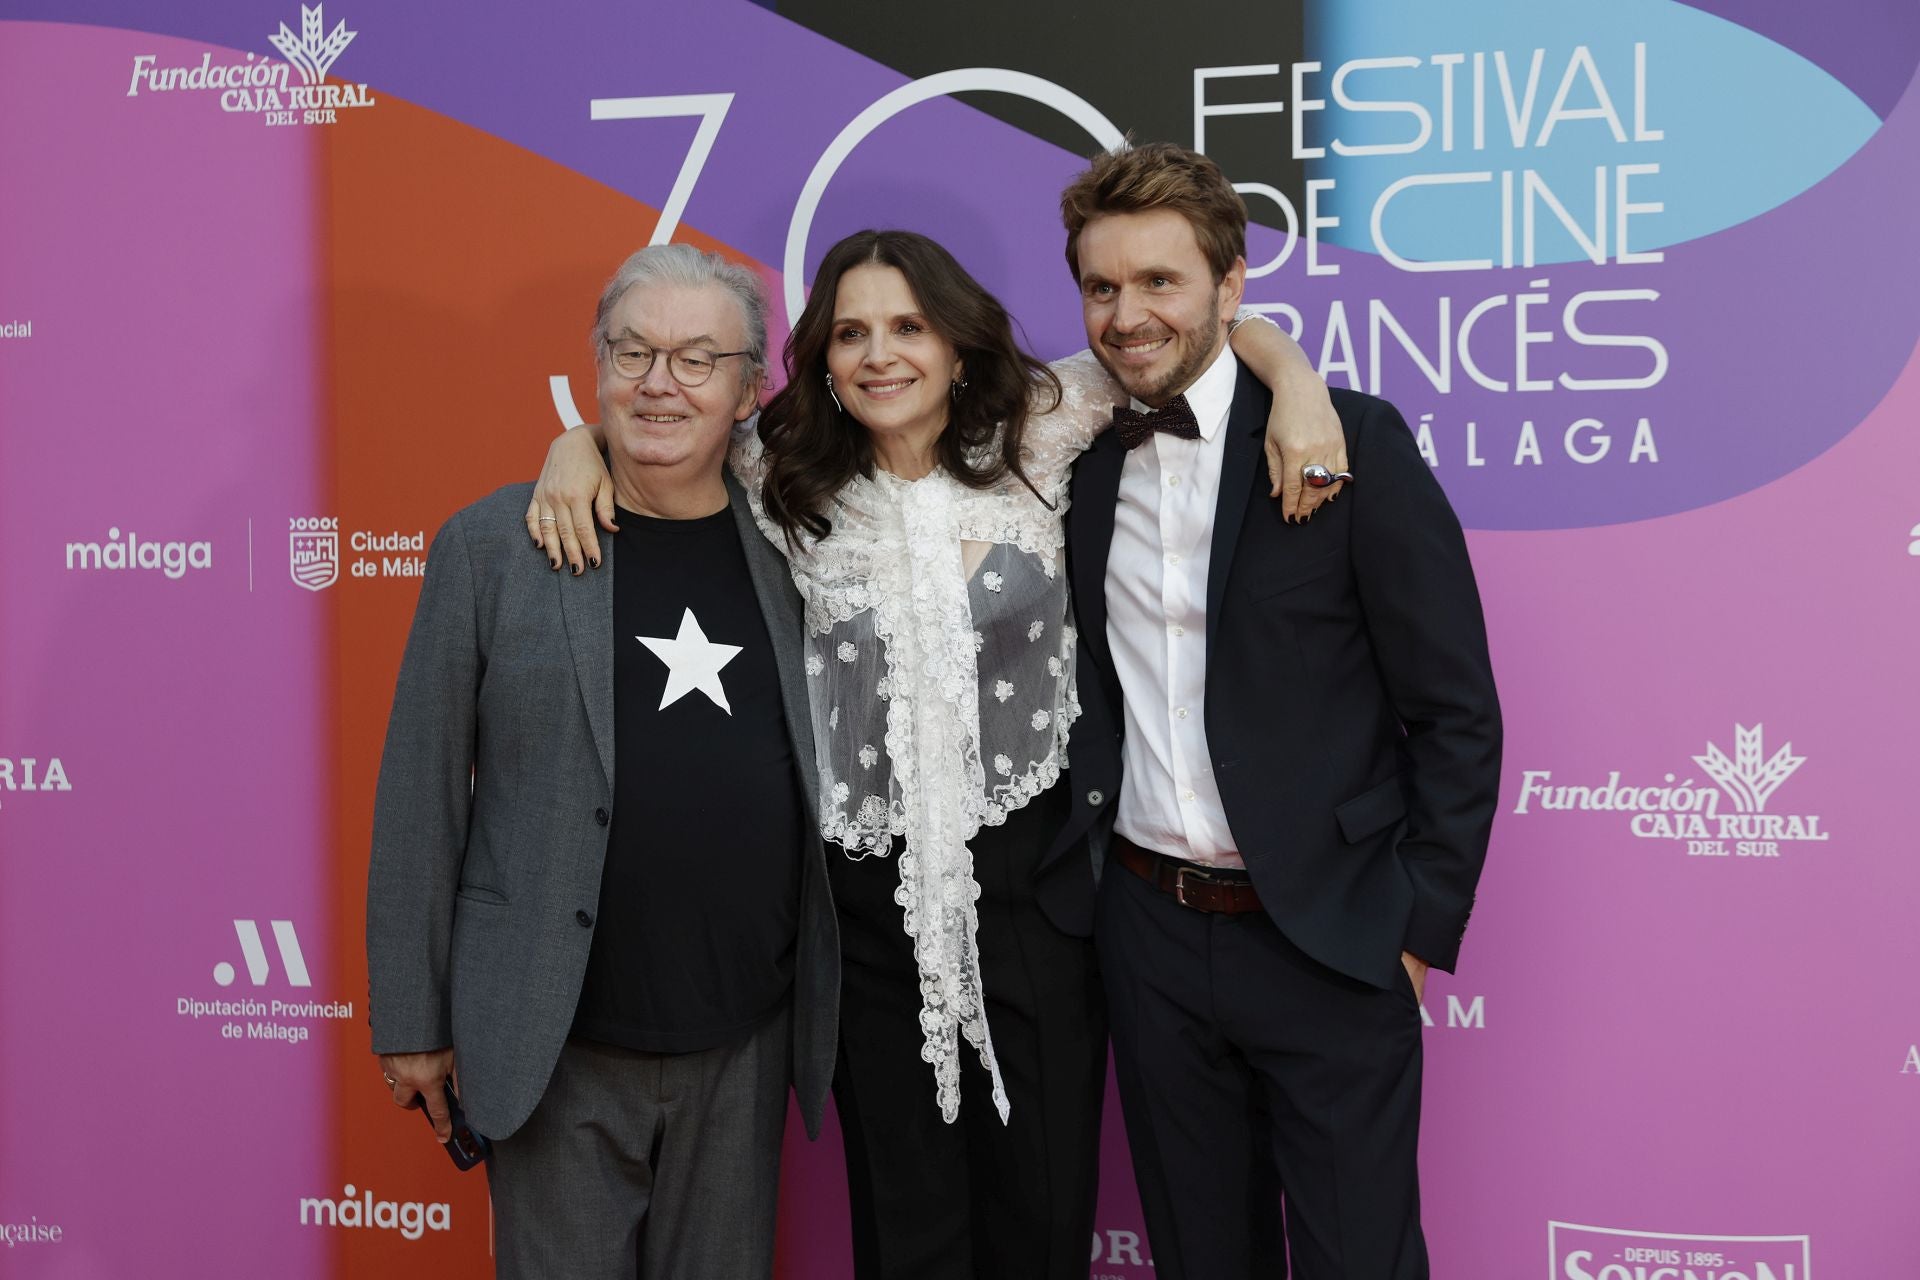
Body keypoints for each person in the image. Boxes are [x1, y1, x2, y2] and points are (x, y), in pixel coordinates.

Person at [527, 228, 1345, 1279]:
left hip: (1039, 905)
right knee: (905, 1233)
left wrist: (1296, 380)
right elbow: (658, 432)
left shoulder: (1042, 433)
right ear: (821, 355)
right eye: (853, 331)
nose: (880, 354)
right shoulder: (783, 474)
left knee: (1040, 1225)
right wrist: (573, 448)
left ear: (958, 344)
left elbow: (1184, 349)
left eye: (909, 326)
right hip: (866, 919)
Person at [1044, 141, 1504, 1279]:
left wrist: (1413, 930)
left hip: (1332, 937)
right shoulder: (1073, 456)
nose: (1128, 313)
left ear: (1231, 285)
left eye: (1161, 281)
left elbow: (1456, 711)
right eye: (1103, 285)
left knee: (1361, 1260)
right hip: (1149, 931)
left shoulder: (1346, 442)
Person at [366, 243, 839, 1280]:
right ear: (596, 368)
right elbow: (420, 790)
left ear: (749, 388)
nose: (659, 381)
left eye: (696, 358)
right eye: (634, 351)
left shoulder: (803, 546)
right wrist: (410, 1014)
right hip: (555, 1044)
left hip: (745, 1043)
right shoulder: (492, 547)